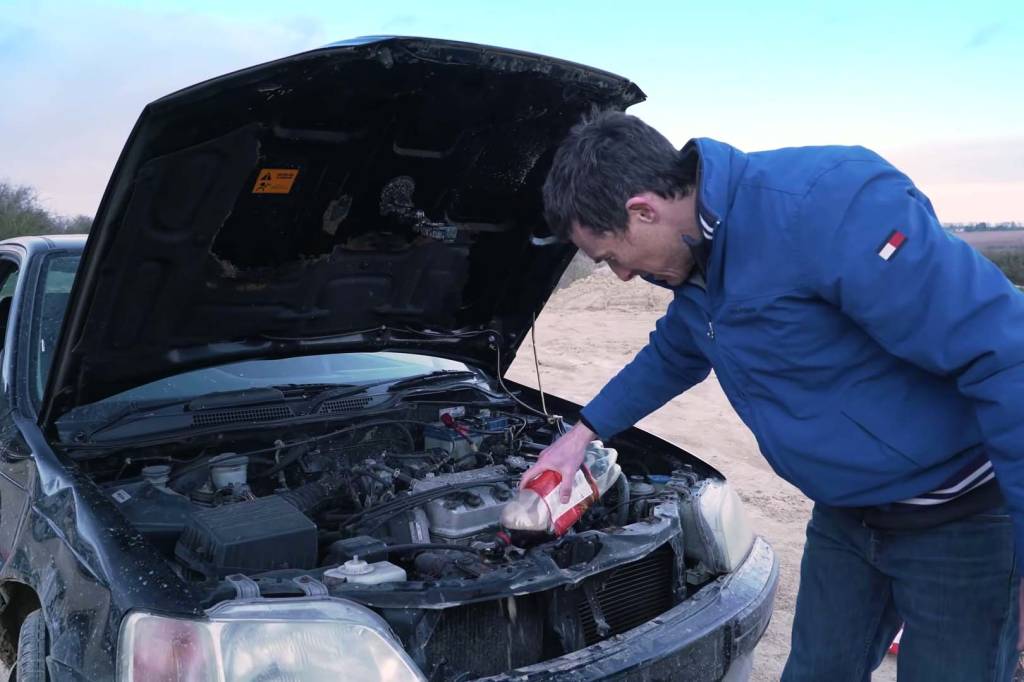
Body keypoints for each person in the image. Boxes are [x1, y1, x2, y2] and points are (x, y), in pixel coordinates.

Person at [523, 110, 1024, 681]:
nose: (621, 277)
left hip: (957, 522)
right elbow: (675, 352)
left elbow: (1007, 358)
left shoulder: (824, 206)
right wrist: (581, 435)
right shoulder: (694, 265)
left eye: (611, 257)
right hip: (847, 518)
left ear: (643, 211)